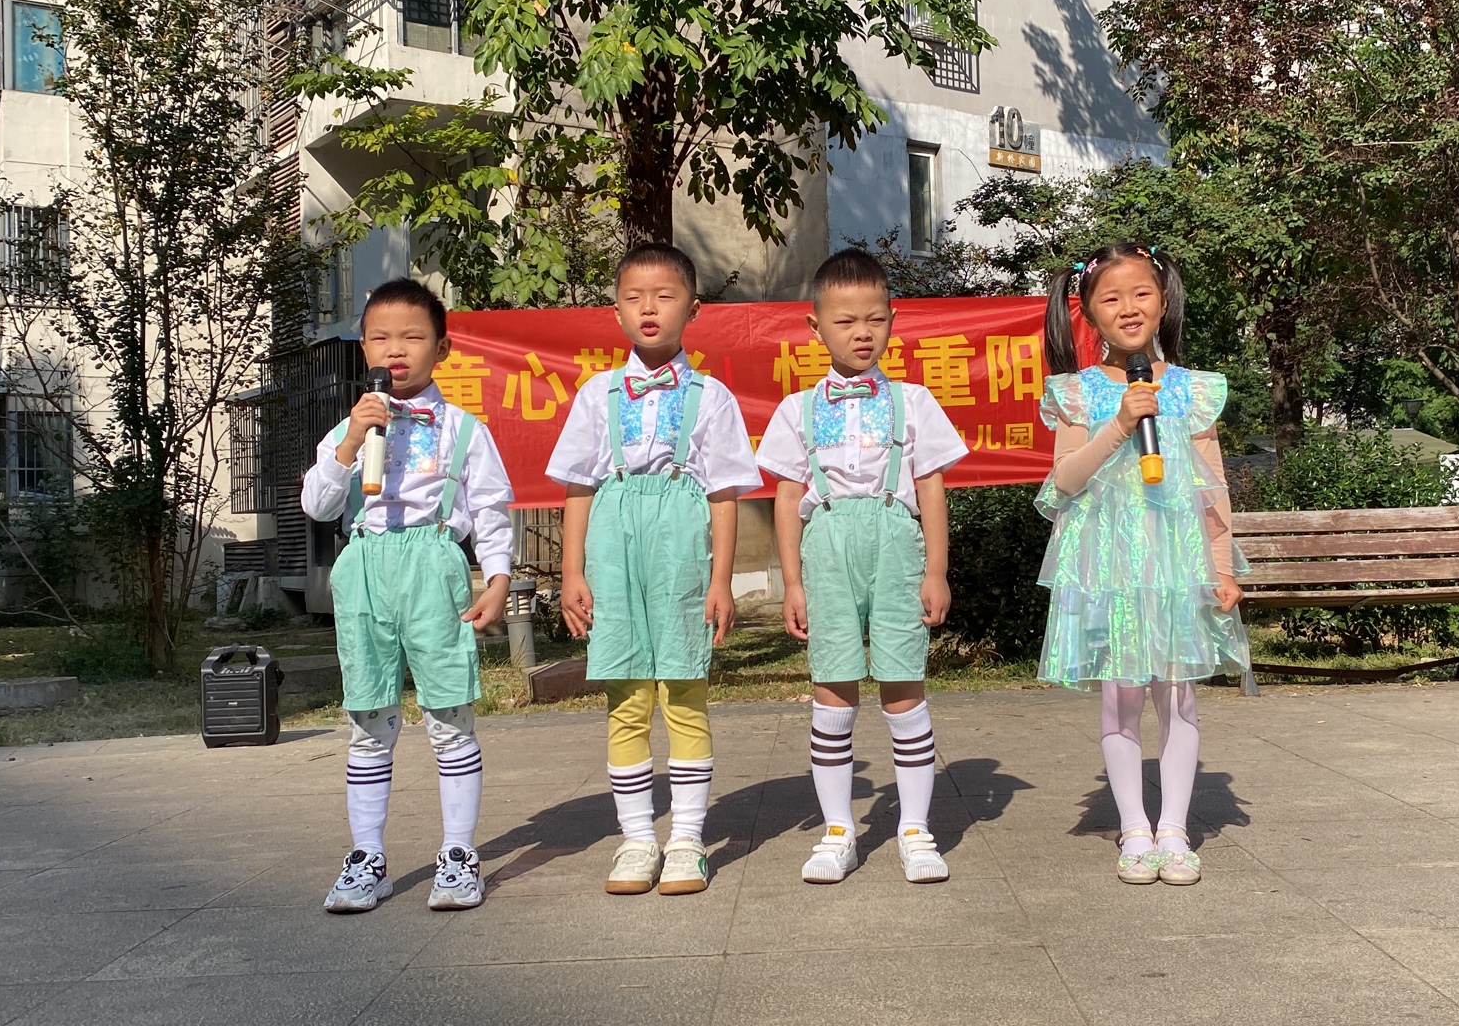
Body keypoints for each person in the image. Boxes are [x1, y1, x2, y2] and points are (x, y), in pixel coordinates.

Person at [546, 242, 761, 896]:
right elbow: (578, 488)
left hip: (679, 549)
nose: (649, 308)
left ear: (692, 310)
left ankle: (688, 839)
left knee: (684, 691)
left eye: (664, 296)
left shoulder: (712, 397)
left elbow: (723, 494)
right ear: (616, 311)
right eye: (634, 297)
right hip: (612, 547)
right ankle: (638, 839)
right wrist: (572, 572)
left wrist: (721, 580)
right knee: (627, 696)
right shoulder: (596, 394)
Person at [1034, 243, 1250, 886]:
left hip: (1178, 565)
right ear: (1088, 312)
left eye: (1141, 293)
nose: (1128, 308)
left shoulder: (1191, 389)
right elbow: (1064, 481)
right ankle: (1134, 828)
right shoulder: (1077, 393)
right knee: (1120, 700)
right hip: (1110, 570)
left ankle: (1174, 830)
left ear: (1163, 300)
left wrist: (1221, 567)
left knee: (1179, 698)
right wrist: (1120, 425)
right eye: (1111, 298)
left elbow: (1213, 488)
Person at [302, 277, 515, 913]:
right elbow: (318, 505)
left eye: (412, 337)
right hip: (366, 569)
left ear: (441, 348)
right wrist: (350, 441)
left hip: (434, 567)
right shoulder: (348, 428)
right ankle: (367, 857)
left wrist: (497, 579)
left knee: (449, 714)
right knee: (369, 719)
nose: (395, 350)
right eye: (380, 339)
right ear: (364, 349)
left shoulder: (464, 430)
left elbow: (491, 511)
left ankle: (459, 854)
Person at [757, 247, 968, 885]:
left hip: (896, 544)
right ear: (815, 327)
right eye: (845, 321)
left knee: (903, 684)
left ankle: (915, 829)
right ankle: (838, 831)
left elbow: (931, 487)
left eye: (874, 319)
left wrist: (937, 570)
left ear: (892, 322)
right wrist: (792, 583)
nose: (861, 333)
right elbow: (786, 499)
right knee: (833, 685)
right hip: (827, 548)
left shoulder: (914, 401)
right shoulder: (798, 408)